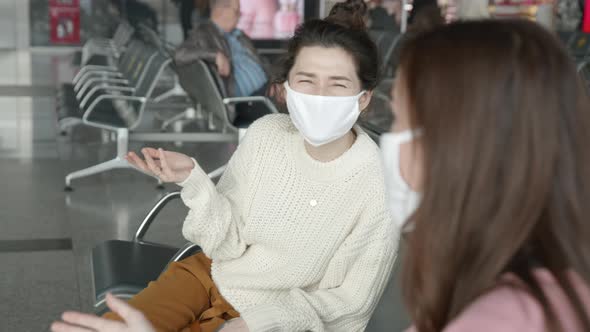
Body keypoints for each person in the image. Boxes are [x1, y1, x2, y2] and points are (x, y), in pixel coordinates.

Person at [52, 1, 397, 331]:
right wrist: (194, 180)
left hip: (274, 318)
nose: (319, 95)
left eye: (337, 84)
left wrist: (258, 322)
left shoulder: (379, 185)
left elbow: (352, 304)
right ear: (287, 87)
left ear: (363, 98)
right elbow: (226, 245)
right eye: (306, 80)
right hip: (208, 276)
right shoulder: (266, 135)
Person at [381, 20, 590, 332]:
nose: (389, 140)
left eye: (399, 121)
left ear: (460, 148)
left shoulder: (501, 320)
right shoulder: (551, 293)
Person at [174, 0, 268, 99]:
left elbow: (261, 62)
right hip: (253, 101)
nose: (240, 15)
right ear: (221, 11)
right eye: (236, 11)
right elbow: (180, 54)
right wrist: (215, 55)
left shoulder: (239, 35)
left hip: (268, 90)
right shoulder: (204, 33)